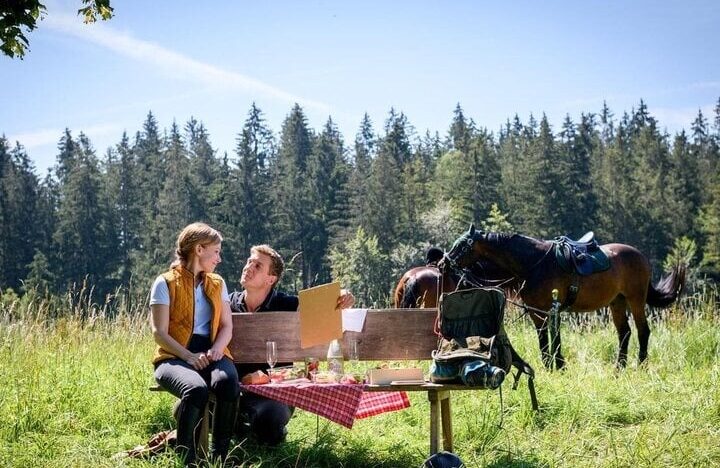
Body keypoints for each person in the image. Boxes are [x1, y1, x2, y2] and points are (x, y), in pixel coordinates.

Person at [229, 244, 354, 445]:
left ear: (271, 279)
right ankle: (242, 429)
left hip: (275, 393)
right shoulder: (227, 304)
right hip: (234, 389)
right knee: (185, 408)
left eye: (258, 265)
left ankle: (252, 430)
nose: (248, 267)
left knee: (271, 416)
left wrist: (344, 294)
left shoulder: (286, 304)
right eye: (249, 261)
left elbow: (325, 302)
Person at [150, 223, 240, 465]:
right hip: (172, 356)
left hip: (212, 353)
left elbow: (226, 326)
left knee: (228, 383)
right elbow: (159, 333)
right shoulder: (165, 283)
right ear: (199, 249)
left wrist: (219, 348)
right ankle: (187, 459)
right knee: (196, 389)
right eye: (217, 251)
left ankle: (220, 457)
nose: (219, 259)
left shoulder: (217, 283)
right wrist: (188, 356)